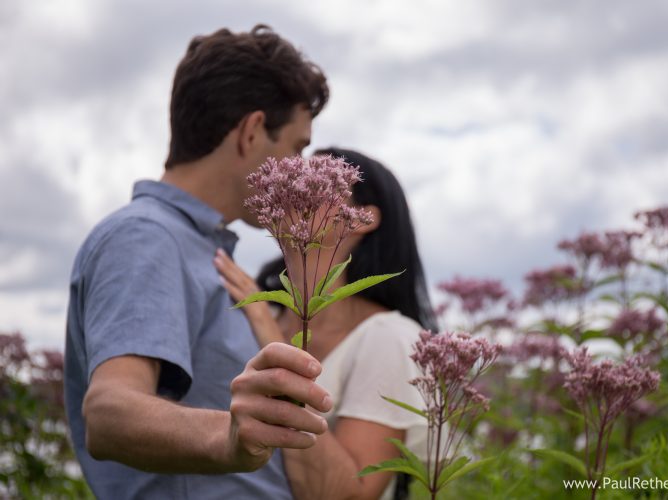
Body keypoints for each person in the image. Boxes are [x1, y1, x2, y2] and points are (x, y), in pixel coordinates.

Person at [64, 26, 333, 499]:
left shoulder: (197, 249)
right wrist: (230, 436)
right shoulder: (147, 237)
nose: (301, 169)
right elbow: (109, 412)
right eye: (296, 147)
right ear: (252, 132)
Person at [214, 147, 437, 500]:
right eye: (297, 176)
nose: (300, 186)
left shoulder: (388, 339)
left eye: (322, 182)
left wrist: (272, 337)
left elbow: (350, 495)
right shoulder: (254, 310)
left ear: (363, 218)